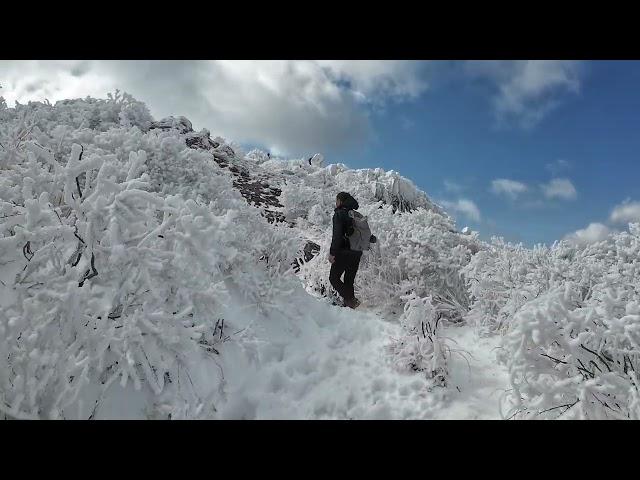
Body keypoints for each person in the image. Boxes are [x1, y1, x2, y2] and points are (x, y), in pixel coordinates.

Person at [328, 192, 364, 309]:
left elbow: (337, 235)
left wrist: (333, 253)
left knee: (333, 278)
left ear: (341, 201)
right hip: (357, 252)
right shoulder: (356, 214)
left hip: (344, 252)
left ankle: (350, 300)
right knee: (349, 280)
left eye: (337, 200)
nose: (336, 202)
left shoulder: (339, 214)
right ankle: (350, 305)